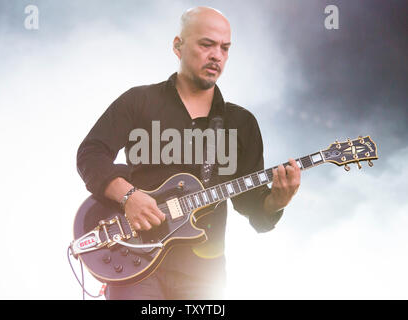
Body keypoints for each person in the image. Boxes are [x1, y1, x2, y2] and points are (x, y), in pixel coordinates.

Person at [76, 6, 301, 300]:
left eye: (225, 48)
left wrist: (276, 201)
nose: (217, 55)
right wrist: (128, 196)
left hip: (202, 273)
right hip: (133, 257)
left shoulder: (241, 123)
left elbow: (251, 205)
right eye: (206, 44)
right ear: (177, 46)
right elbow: (91, 153)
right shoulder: (138, 101)